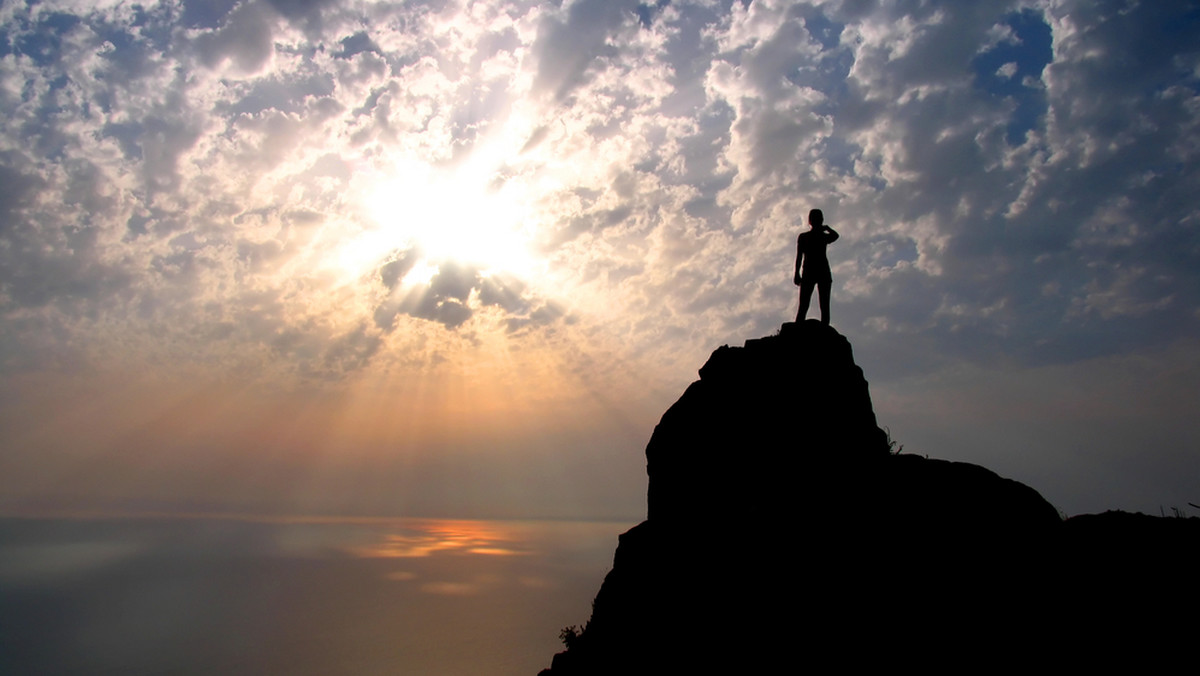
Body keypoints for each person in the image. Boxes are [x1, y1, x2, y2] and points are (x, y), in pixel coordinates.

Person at [793, 209, 839, 324]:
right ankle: (798, 328)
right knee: (805, 305)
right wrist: (796, 273)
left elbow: (835, 236)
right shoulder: (805, 237)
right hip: (810, 272)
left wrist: (826, 228)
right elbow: (799, 256)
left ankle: (823, 329)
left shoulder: (820, 236)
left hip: (819, 272)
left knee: (823, 305)